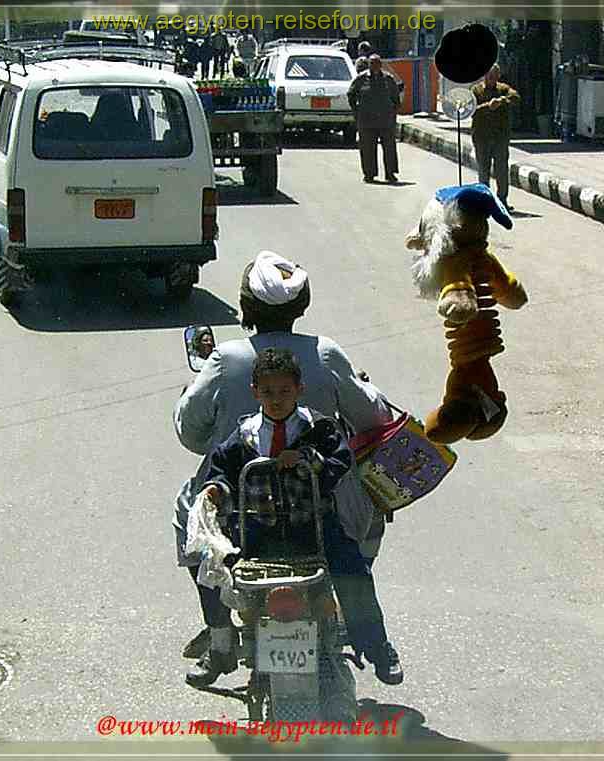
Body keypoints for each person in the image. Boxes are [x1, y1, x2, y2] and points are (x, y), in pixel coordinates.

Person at [174, 250, 404, 688]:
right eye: (267, 392)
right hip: (278, 517)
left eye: (285, 392)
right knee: (354, 562)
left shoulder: (225, 360)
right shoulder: (324, 355)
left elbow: (191, 432)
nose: (275, 399)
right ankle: (375, 647)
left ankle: (221, 640)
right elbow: (373, 419)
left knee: (189, 522)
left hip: (297, 515)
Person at [471, 64, 520, 210]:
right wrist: (487, 106)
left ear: (498, 76)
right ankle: (485, 200)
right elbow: (469, 109)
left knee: (501, 170)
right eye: (488, 75)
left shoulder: (503, 89)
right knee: (483, 170)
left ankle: (502, 200)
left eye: (493, 76)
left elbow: (516, 98)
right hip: (481, 136)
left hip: (500, 136)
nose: (490, 79)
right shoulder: (476, 90)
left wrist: (502, 101)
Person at [347, 54, 401, 184]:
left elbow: (396, 99)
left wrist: (392, 113)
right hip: (366, 120)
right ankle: (369, 174)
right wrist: (357, 112)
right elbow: (351, 95)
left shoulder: (388, 79)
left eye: (377, 63)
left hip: (386, 121)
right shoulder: (361, 79)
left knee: (389, 148)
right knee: (367, 149)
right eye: (372, 63)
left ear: (381, 65)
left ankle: (390, 173)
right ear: (368, 65)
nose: (374, 66)